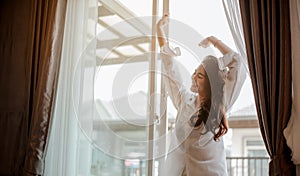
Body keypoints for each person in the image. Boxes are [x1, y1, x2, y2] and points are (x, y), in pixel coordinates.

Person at [157, 14, 247, 176]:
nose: (193, 77)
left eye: (199, 76)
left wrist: (214, 41)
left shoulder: (221, 103)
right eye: (194, 73)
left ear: (210, 82)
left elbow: (237, 63)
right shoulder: (185, 101)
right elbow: (169, 66)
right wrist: (159, 30)